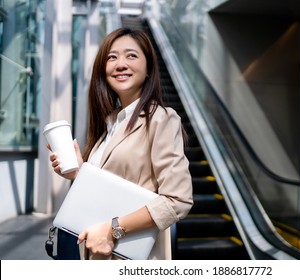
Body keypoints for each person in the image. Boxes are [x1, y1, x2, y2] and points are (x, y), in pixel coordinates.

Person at [48, 27, 193, 260]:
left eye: (131, 56)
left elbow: (177, 201)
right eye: (111, 57)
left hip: (125, 256)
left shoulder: (161, 118)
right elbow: (112, 188)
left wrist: (113, 229)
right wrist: (79, 172)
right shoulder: (111, 122)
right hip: (91, 253)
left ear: (148, 69)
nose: (120, 64)